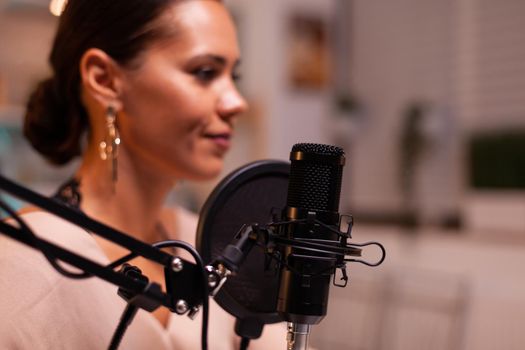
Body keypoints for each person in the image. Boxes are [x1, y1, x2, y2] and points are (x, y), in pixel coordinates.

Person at [0, 0, 287, 348]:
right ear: (105, 80)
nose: (235, 102)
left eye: (233, 76)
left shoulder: (212, 242)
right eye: (205, 72)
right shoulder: (28, 265)